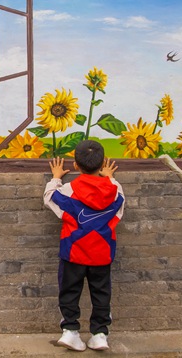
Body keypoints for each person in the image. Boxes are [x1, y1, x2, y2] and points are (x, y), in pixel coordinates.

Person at [43, 140, 123, 352]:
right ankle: (100, 334)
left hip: (73, 252)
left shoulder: (68, 190)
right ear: (102, 164)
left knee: (69, 291)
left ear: (76, 165)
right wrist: (110, 177)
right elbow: (120, 204)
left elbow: (49, 197)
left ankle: (70, 331)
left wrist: (56, 178)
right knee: (101, 294)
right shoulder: (114, 191)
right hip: (102, 253)